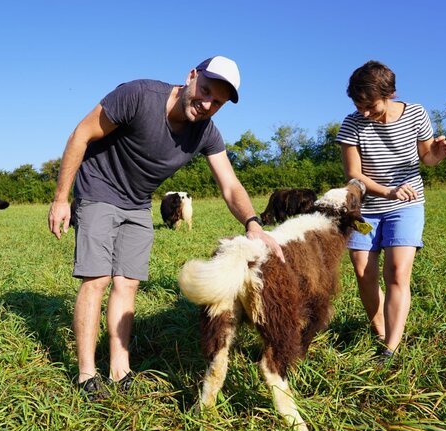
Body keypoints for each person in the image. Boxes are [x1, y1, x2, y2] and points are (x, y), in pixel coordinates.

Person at [47, 56, 284, 400]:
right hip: (98, 188)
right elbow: (81, 134)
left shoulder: (206, 133)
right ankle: (86, 373)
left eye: (216, 102)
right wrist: (60, 198)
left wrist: (253, 224)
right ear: (191, 76)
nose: (206, 104)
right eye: (204, 91)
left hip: (139, 202)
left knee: (127, 284)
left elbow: (230, 185)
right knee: (96, 279)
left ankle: (119, 367)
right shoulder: (138, 96)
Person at [335, 60, 446, 364]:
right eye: (358, 104)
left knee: (397, 272)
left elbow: (426, 157)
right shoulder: (352, 124)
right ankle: (380, 330)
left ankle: (390, 348)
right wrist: (387, 190)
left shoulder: (416, 113)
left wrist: (436, 156)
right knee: (363, 271)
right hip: (362, 209)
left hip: (406, 204)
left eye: (370, 105)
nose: (364, 112)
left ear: (391, 94)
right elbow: (353, 175)